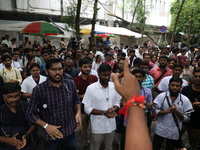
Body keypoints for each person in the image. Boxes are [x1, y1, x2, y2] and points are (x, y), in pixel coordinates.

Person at [26, 58, 82, 150]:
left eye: (60, 69)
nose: (57, 72)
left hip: (70, 132)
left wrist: (78, 112)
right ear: (47, 72)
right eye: (53, 69)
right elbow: (30, 114)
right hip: (51, 136)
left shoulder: (70, 84)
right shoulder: (39, 90)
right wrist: (46, 126)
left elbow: (76, 101)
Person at [112, 58, 152, 150]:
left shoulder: (148, 91)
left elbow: (150, 106)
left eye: (140, 76)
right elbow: (120, 105)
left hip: (142, 120)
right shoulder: (124, 90)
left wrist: (134, 101)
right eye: (136, 76)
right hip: (127, 122)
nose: (138, 79)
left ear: (144, 78)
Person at [82, 63, 121, 150]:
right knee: (95, 146)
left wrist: (113, 109)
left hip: (110, 124)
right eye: (104, 75)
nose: (107, 77)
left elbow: (118, 101)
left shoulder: (114, 86)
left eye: (108, 75)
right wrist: (104, 113)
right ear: (99, 74)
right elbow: (87, 108)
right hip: (97, 125)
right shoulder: (91, 88)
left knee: (109, 146)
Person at [153, 77, 193, 150]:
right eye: (172, 85)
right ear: (168, 85)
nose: (174, 87)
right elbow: (155, 112)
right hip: (160, 129)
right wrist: (168, 112)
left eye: (177, 86)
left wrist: (176, 112)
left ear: (181, 87)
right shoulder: (161, 97)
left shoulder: (185, 100)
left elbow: (187, 119)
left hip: (174, 131)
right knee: (155, 147)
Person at [0, 82, 35, 150]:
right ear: (4, 97)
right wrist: (8, 140)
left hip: (26, 145)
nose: (14, 99)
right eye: (10, 97)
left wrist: (26, 135)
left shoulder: (27, 106)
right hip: (5, 147)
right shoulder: (0, 111)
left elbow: (33, 124)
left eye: (17, 96)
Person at [74, 58, 98, 148]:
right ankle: (85, 143)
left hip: (94, 107)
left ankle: (94, 143)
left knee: (94, 128)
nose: (87, 69)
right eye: (85, 67)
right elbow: (74, 95)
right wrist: (82, 96)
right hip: (82, 108)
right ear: (80, 68)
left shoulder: (94, 78)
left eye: (89, 67)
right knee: (83, 127)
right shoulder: (76, 80)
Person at [181, 69, 200, 150]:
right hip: (183, 121)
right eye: (195, 76)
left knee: (194, 145)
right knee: (174, 139)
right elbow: (179, 104)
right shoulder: (186, 89)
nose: (198, 78)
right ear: (192, 77)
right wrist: (191, 105)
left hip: (197, 124)